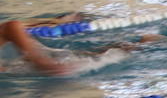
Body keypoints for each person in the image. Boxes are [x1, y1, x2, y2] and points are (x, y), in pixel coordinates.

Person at [1, 18, 157, 76]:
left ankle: (144, 43)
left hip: (42, 65)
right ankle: (141, 43)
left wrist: (39, 61)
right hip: (24, 66)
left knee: (97, 56)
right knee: (96, 54)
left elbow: (10, 26)